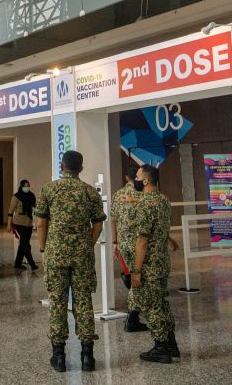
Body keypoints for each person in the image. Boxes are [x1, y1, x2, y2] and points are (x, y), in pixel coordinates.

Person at [35, 150, 106, 373]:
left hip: (56, 254)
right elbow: (98, 224)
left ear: (61, 166)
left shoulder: (49, 189)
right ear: (81, 169)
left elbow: (41, 224)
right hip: (82, 256)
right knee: (83, 300)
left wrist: (44, 249)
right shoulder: (89, 192)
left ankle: (59, 357)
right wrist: (87, 244)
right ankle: (87, 356)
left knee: (57, 301)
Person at [124, 165, 179, 364]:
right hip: (162, 263)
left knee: (151, 306)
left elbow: (142, 241)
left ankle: (161, 348)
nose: (135, 180)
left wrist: (136, 270)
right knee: (162, 304)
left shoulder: (145, 206)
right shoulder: (163, 200)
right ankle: (171, 344)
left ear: (145, 181)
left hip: (149, 265)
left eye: (137, 177)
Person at [111, 162, 147, 332]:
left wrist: (115, 242)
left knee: (132, 275)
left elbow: (113, 220)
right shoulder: (144, 194)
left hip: (124, 242)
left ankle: (136, 311)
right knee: (139, 277)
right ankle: (133, 316)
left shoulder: (118, 194)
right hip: (141, 242)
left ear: (127, 178)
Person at [6, 179, 38, 271]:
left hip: (29, 223)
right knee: (26, 244)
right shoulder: (16, 197)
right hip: (19, 223)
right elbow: (10, 211)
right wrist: (9, 224)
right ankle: (32, 264)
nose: (26, 187)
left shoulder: (31, 196)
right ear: (21, 186)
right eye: (25, 186)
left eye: (28, 185)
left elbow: (35, 208)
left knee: (23, 244)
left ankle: (18, 264)